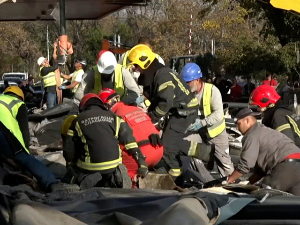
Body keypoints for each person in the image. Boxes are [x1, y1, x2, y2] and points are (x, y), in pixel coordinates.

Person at [127, 44, 205, 178]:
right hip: (180, 111)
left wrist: (151, 118)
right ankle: (205, 152)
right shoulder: (158, 72)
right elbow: (159, 99)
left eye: (136, 65)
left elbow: (165, 102)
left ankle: (175, 177)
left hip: (184, 113)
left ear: (144, 62)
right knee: (170, 141)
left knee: (168, 147)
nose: (135, 68)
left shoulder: (162, 76)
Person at [61, 93, 148, 189]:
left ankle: (82, 179)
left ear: (82, 107)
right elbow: (130, 143)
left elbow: (69, 149)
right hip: (114, 165)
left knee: (69, 177)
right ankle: (114, 178)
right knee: (110, 169)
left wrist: (70, 164)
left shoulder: (77, 121)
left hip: (89, 167)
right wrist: (142, 163)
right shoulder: (116, 118)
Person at [0, 86, 78, 192]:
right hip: (2, 132)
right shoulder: (18, 103)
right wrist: (25, 153)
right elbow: (24, 132)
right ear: (20, 97)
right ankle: (52, 183)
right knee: (25, 159)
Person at [227, 108, 300, 196]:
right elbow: (260, 171)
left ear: (247, 121)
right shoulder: (264, 131)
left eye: (238, 124)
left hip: (285, 166)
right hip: (297, 163)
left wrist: (229, 180)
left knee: (262, 198)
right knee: (293, 204)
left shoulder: (251, 135)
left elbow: (246, 164)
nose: (237, 128)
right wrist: (249, 184)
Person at [99, 88, 163, 181]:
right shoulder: (137, 109)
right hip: (158, 151)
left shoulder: (115, 117)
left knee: (119, 173)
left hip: (140, 156)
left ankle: (133, 183)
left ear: (106, 105)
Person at [182, 63, 234, 177]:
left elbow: (219, 114)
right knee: (185, 146)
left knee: (225, 165)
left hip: (217, 134)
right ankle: (204, 181)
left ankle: (232, 187)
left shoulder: (212, 91)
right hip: (202, 133)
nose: (186, 85)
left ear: (197, 80)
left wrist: (202, 123)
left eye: (188, 82)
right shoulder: (188, 93)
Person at [74, 50, 142, 105]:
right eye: (104, 73)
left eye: (108, 73)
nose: (106, 75)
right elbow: (79, 94)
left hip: (119, 108)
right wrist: (93, 104)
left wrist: (121, 103)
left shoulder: (122, 72)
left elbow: (135, 93)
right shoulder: (92, 73)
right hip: (98, 108)